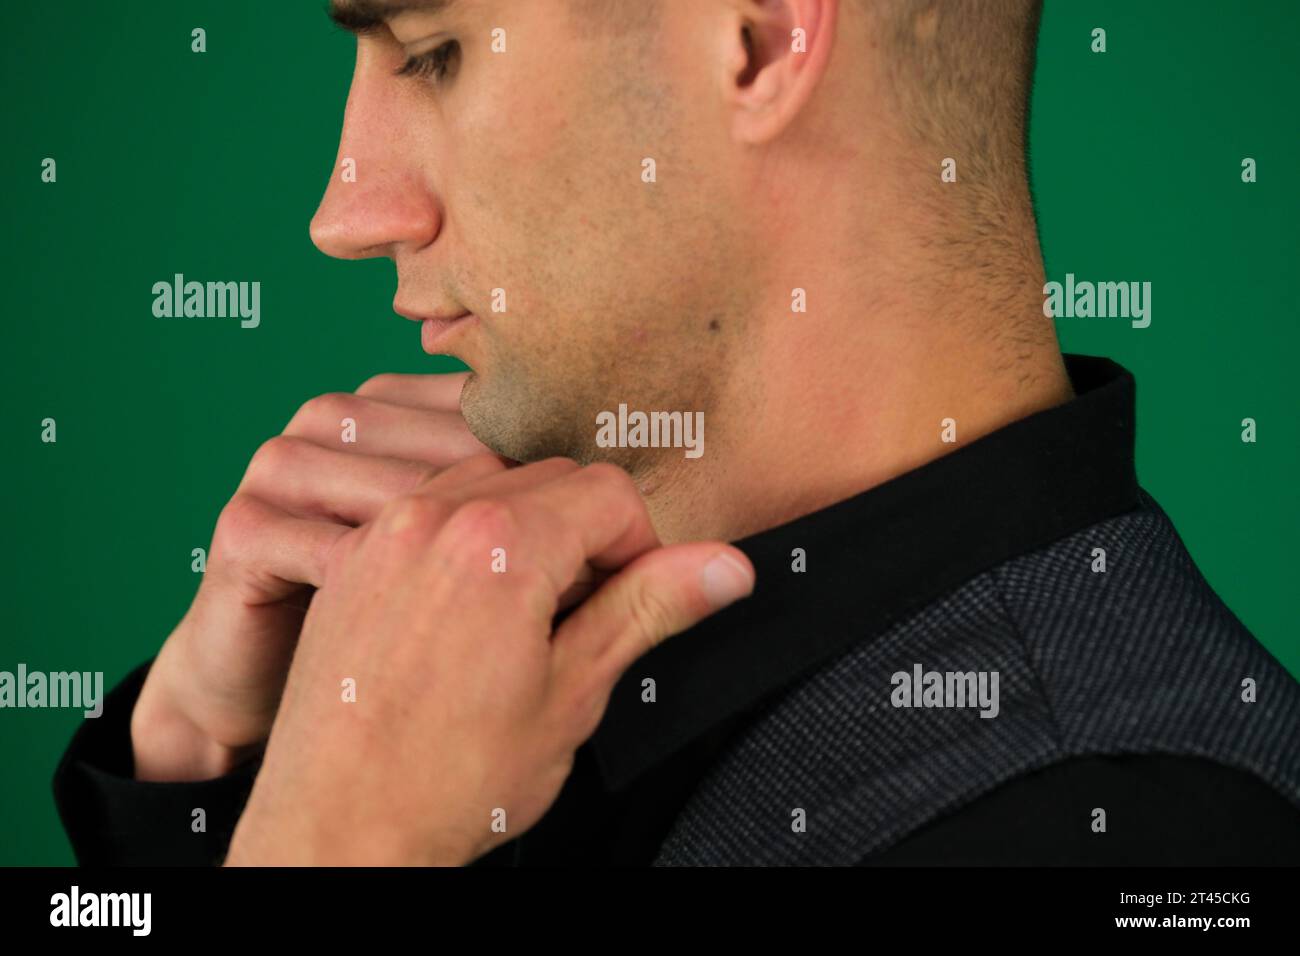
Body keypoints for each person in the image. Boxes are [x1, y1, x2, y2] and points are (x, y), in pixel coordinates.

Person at [54, 0, 1300, 865]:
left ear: (757, 40)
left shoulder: (1127, 833)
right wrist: (203, 770)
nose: (347, 210)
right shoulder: (459, 668)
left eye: (432, 52)